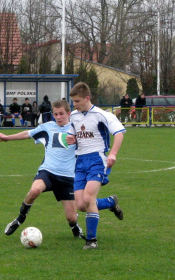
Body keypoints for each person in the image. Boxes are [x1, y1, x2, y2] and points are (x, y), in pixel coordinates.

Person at [0, 100, 84, 239]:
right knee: (35, 190)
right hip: (48, 172)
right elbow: (27, 134)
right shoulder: (47, 127)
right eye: (56, 114)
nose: (59, 117)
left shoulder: (77, 130)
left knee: (71, 217)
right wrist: (7, 138)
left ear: (68, 113)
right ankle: (20, 218)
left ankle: (74, 226)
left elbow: (91, 143)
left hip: (68, 178)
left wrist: (78, 140)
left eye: (61, 113)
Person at [66, 82, 125, 250]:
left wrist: (112, 154)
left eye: (77, 101)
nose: (74, 105)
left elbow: (119, 133)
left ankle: (91, 240)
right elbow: (73, 137)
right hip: (80, 162)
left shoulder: (101, 115)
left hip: (97, 160)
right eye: (73, 102)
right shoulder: (74, 117)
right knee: (81, 205)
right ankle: (110, 202)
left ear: (87, 98)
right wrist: (72, 139)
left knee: (89, 198)